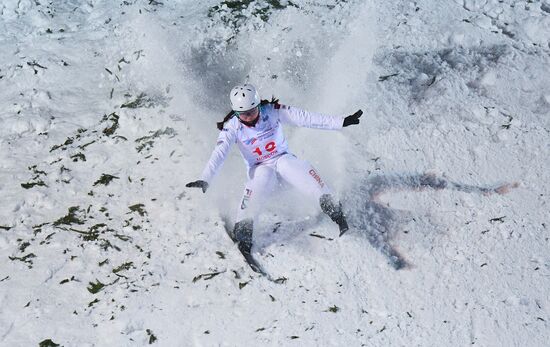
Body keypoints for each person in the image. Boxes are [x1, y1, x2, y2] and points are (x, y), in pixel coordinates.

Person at [186, 84, 363, 260]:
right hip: (260, 169)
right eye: (243, 114)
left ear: (258, 105)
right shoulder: (232, 126)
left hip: (282, 160)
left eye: (252, 111)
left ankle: (334, 210)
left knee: (292, 165)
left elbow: (305, 118)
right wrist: (205, 178)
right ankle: (243, 231)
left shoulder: (272, 111)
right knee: (263, 176)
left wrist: (341, 121)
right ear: (235, 113)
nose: (249, 117)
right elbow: (219, 153)